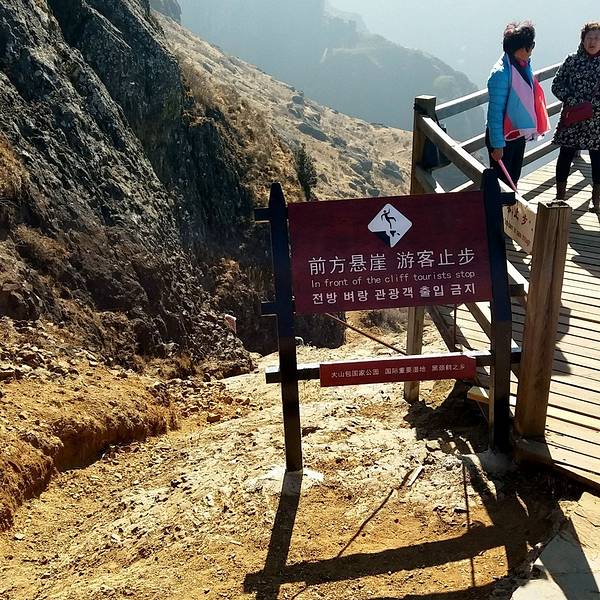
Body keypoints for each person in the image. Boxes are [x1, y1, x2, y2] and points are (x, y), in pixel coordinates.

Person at [486, 21, 549, 188]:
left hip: (517, 133)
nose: (532, 50)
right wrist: (497, 145)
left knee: (513, 179)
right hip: (502, 138)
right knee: (501, 185)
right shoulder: (501, 74)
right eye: (530, 46)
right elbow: (495, 113)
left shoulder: (522, 65)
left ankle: (511, 204)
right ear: (519, 48)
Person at [552, 22, 600, 211]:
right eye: (589, 38)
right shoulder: (572, 60)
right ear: (582, 40)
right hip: (573, 119)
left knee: (597, 159)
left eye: (597, 38)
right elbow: (556, 84)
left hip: (596, 121)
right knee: (565, 155)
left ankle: (597, 201)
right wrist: (570, 99)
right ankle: (559, 197)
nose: (592, 42)